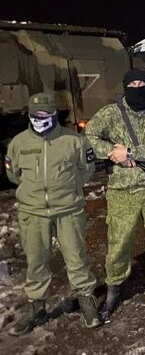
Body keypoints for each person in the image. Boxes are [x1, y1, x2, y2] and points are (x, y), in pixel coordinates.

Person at [85, 69, 145, 319]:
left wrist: (128, 152)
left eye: (141, 83)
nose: (137, 87)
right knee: (119, 242)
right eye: (133, 83)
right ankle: (114, 287)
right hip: (122, 190)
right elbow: (91, 134)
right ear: (126, 87)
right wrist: (109, 151)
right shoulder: (111, 113)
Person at [6, 93, 101, 335]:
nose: (41, 118)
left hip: (68, 210)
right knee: (36, 261)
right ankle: (36, 308)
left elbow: (86, 170)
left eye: (46, 114)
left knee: (77, 257)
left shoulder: (74, 141)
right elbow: (14, 175)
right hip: (33, 213)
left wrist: (67, 189)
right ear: (29, 115)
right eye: (36, 114)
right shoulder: (18, 143)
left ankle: (86, 301)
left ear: (54, 115)